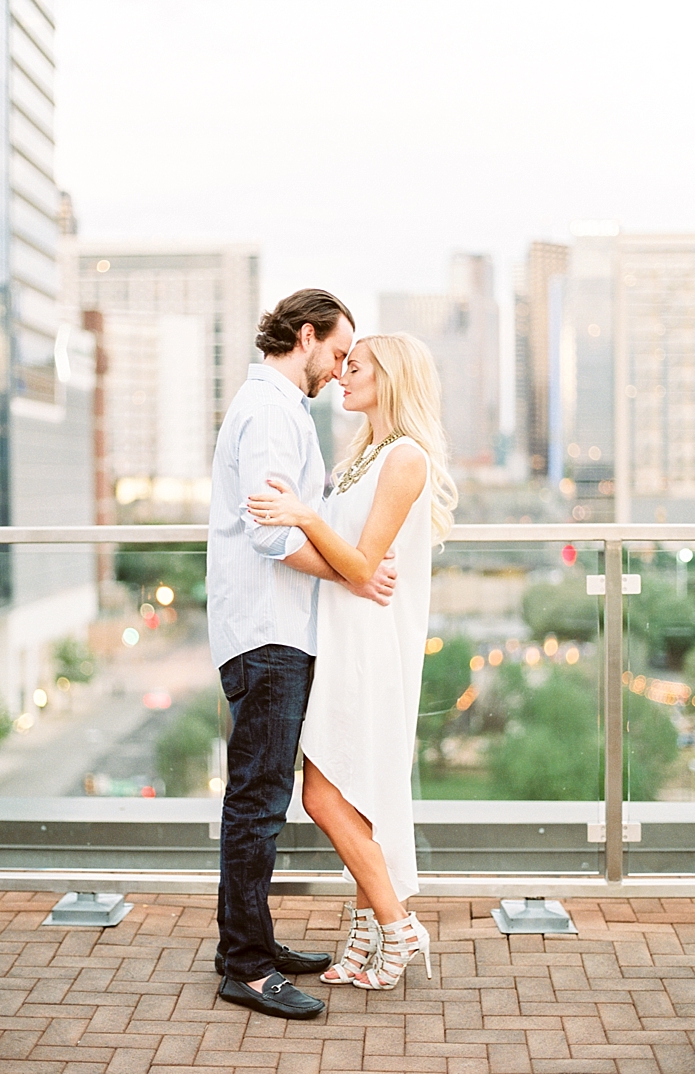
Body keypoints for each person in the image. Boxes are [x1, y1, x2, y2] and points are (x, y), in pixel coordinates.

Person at [207, 289, 398, 1020]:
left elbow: (294, 524)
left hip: (279, 631)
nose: (341, 368)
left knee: (262, 799)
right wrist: (355, 572)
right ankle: (248, 969)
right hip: (267, 634)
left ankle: (247, 944)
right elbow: (272, 536)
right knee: (257, 802)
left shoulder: (284, 411)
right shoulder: (267, 413)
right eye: (340, 353)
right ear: (308, 337)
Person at [248, 333, 457, 990]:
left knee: (323, 792)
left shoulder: (404, 459)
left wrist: (303, 515)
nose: (342, 375)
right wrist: (311, 514)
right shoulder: (363, 456)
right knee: (351, 794)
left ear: (390, 378)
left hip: (370, 644)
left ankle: (396, 923)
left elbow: (363, 565)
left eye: (355, 366)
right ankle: (367, 931)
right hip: (341, 636)